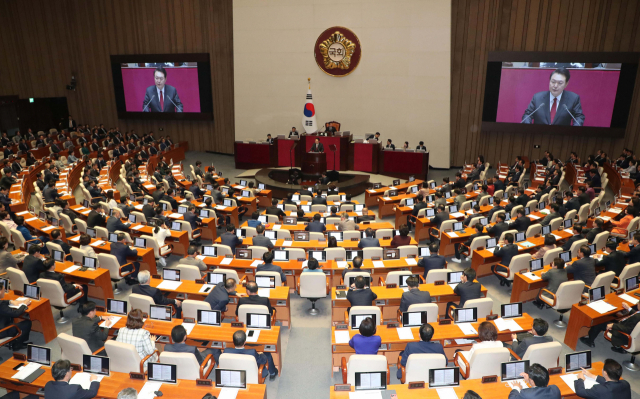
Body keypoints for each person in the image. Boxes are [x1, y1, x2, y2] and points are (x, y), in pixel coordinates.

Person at [0, 284, 31, 350]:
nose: (5, 291)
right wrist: (24, 304)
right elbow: (16, 314)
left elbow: (1, 302)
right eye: (4, 289)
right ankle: (17, 345)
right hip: (2, 331)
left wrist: (10, 301)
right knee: (27, 323)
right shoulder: (1, 306)